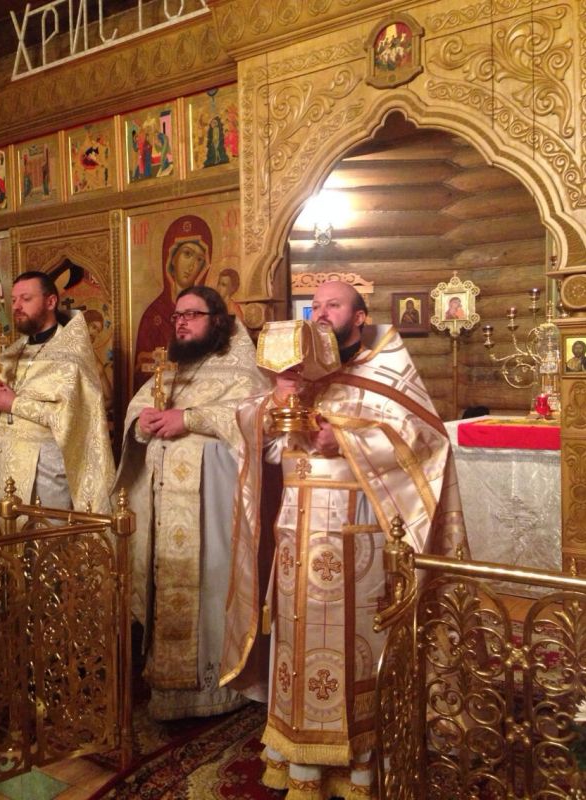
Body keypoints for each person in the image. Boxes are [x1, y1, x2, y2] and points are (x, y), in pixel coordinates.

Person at [221, 280, 468, 800]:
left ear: (359, 317)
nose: (321, 313)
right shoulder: (300, 375)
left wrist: (348, 438)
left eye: (333, 305)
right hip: (296, 538)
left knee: (354, 648)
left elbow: (426, 440)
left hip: (357, 540)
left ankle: (361, 766)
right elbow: (260, 441)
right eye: (315, 305)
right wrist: (276, 400)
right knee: (296, 640)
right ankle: (301, 762)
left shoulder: (386, 368)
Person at [116, 285, 267, 720]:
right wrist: (142, 424)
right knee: (168, 585)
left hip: (213, 510)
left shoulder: (242, 369)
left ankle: (219, 687)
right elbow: (137, 413)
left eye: (191, 315)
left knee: (211, 585)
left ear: (216, 321)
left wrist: (191, 419)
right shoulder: (172, 369)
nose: (181, 322)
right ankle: (167, 689)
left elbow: (255, 417)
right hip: (166, 509)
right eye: (177, 315)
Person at [0, 271, 115, 513]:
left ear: (51, 302)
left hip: (45, 471)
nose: (17, 306)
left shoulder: (73, 358)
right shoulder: (9, 355)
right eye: (13, 300)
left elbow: (78, 417)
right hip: (4, 467)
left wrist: (14, 404)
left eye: (26, 299)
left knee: (46, 535)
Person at [133, 214, 212, 388]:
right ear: (171, 258)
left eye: (199, 259)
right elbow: (140, 373)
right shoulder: (153, 315)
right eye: (187, 254)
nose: (192, 265)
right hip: (159, 394)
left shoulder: (209, 314)